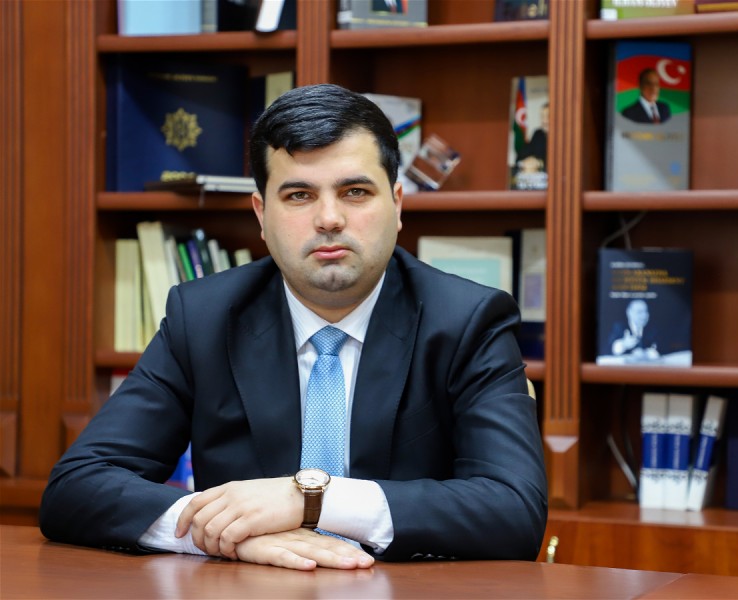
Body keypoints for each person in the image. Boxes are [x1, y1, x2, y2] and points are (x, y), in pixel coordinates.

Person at [40, 84, 548, 571]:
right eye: (300, 195)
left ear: (397, 205)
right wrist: (222, 534)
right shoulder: (205, 317)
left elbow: (513, 510)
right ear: (261, 214)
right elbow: (78, 486)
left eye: (355, 192)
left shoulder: (468, 321)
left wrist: (310, 499)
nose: (329, 219)